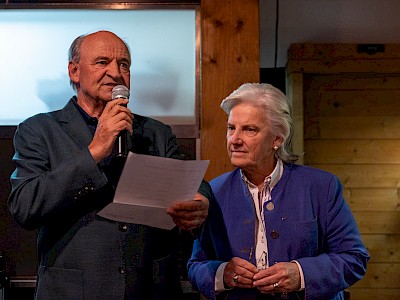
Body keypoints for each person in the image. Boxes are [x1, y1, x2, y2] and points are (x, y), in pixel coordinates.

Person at [8, 30, 211, 300]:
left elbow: (191, 181)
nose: (116, 73)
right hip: (73, 291)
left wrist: (200, 202)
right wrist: (94, 152)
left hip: (149, 289)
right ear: (74, 71)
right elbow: (25, 206)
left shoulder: (154, 132)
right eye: (102, 62)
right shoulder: (39, 130)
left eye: (124, 64)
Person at [187, 83, 369, 300]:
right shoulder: (214, 191)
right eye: (231, 128)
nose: (234, 139)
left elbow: (354, 258)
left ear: (277, 139)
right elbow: (196, 265)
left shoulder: (322, 186)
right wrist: (222, 273)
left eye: (249, 129)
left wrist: (300, 274)